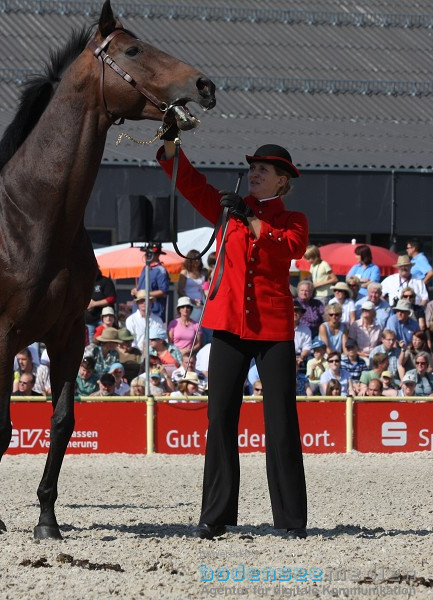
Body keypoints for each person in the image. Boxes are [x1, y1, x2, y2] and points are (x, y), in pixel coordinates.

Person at [158, 139, 308, 539]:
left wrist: (252, 220)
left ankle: (291, 520)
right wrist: (172, 148)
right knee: (220, 419)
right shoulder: (229, 212)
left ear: (281, 181)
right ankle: (216, 515)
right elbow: (191, 184)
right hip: (227, 324)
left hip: (273, 328)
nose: (255, 172)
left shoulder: (293, 218)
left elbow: (289, 248)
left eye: (264, 169)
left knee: (281, 423)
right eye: (254, 167)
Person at [130, 245, 170, 322]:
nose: (146, 255)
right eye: (146, 253)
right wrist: (135, 291)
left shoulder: (161, 271)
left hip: (154, 312)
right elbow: (140, 287)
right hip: (139, 311)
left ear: (157, 255)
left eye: (150, 253)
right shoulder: (145, 268)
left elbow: (163, 292)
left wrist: (145, 293)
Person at [86, 269, 116, 342]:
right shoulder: (85, 282)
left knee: (107, 341)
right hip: (89, 320)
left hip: (104, 320)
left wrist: (94, 304)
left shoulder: (105, 281)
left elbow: (111, 298)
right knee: (91, 344)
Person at [176, 250, 206, 321]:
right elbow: (180, 290)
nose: (197, 260)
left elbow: (205, 289)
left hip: (201, 304)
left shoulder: (203, 272)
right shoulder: (185, 272)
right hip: (188, 305)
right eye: (195, 258)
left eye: (199, 258)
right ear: (190, 260)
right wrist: (192, 301)